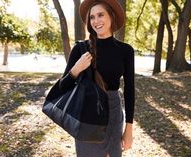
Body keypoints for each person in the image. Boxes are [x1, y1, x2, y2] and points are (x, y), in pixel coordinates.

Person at [58, 0, 134, 156]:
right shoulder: (80, 49)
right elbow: (62, 88)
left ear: (111, 17)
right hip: (86, 115)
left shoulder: (126, 50)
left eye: (100, 15)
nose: (96, 21)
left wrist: (129, 129)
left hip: (113, 113)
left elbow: (130, 90)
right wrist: (76, 69)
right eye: (92, 17)